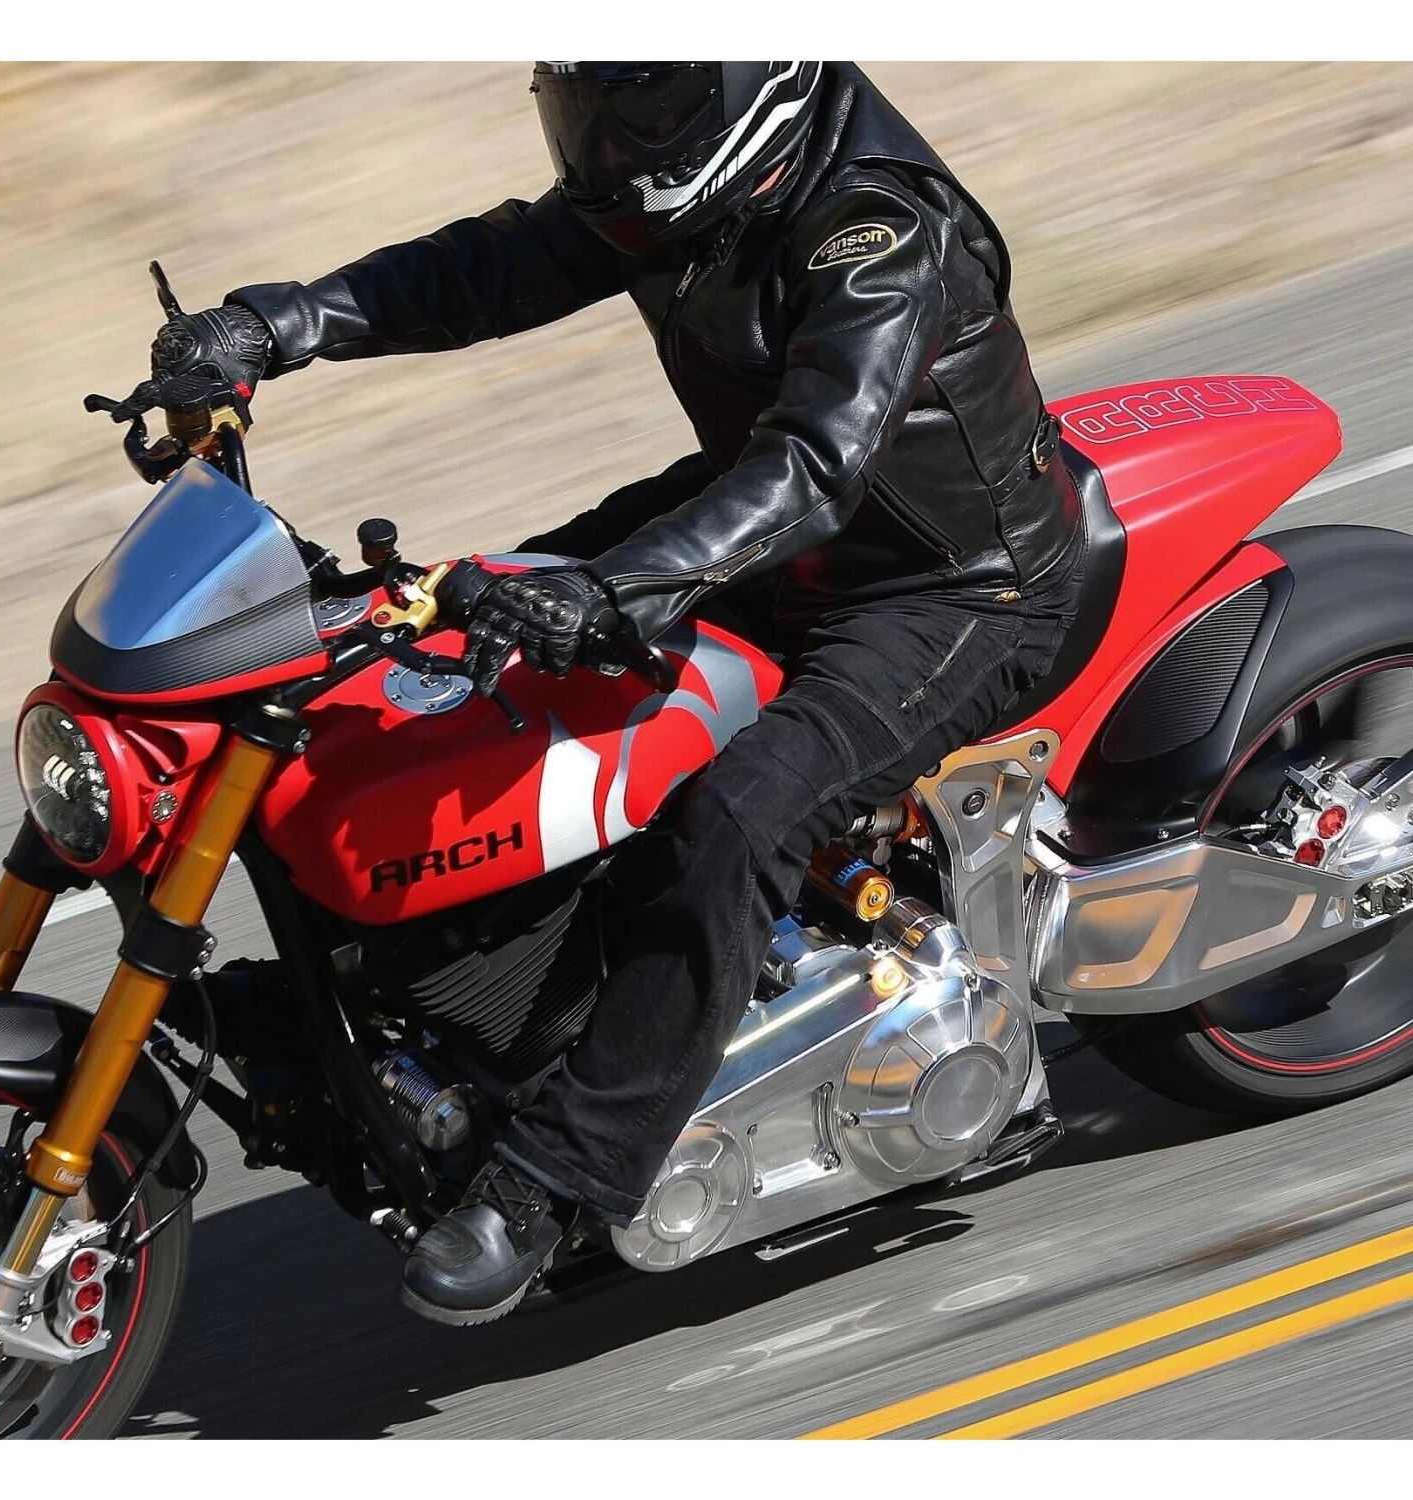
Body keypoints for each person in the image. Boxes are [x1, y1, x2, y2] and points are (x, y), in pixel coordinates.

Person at [146, 61, 1086, 1325]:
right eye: (589, 108)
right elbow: (483, 269)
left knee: (741, 818)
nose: (609, 146)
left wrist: (621, 588)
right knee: (440, 655)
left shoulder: (877, 226)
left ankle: (564, 1174)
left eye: (640, 111)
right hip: (769, 529)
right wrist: (275, 326)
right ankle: (435, 1004)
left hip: (950, 584)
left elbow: (819, 461)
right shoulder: (680, 190)